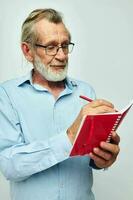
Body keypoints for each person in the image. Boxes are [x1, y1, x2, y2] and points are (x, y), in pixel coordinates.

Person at [0, 8, 120, 200]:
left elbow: (92, 158)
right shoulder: (7, 95)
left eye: (65, 45)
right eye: (51, 47)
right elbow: (9, 166)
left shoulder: (86, 92)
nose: (62, 55)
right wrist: (69, 136)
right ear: (27, 51)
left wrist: (103, 158)